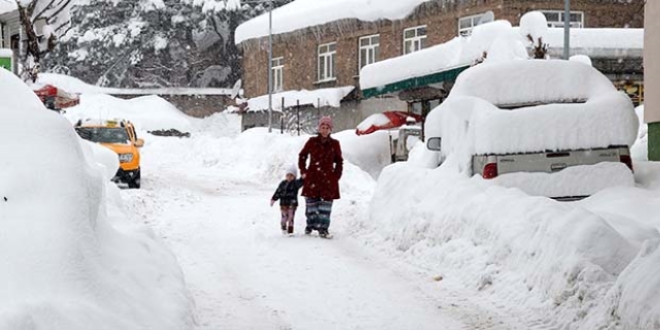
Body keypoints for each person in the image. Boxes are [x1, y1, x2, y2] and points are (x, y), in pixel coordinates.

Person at [298, 116, 343, 238]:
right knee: (311, 205)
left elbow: (339, 161)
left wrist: (336, 176)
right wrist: (303, 171)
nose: (324, 130)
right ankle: (311, 225)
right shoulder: (312, 142)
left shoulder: (335, 144)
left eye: (327, 128)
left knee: (326, 205)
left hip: (328, 179)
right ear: (319, 128)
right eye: (322, 127)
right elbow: (302, 156)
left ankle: (323, 229)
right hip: (313, 176)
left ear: (330, 129)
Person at [270, 165, 304, 235]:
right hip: (283, 204)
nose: (289, 177)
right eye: (288, 175)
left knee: (291, 218)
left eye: (291, 175)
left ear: (294, 177)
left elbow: (301, 182)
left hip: (292, 204)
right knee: (284, 217)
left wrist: (302, 178)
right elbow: (278, 192)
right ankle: (283, 226)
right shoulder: (283, 183)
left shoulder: (295, 183)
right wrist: (273, 199)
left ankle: (290, 231)